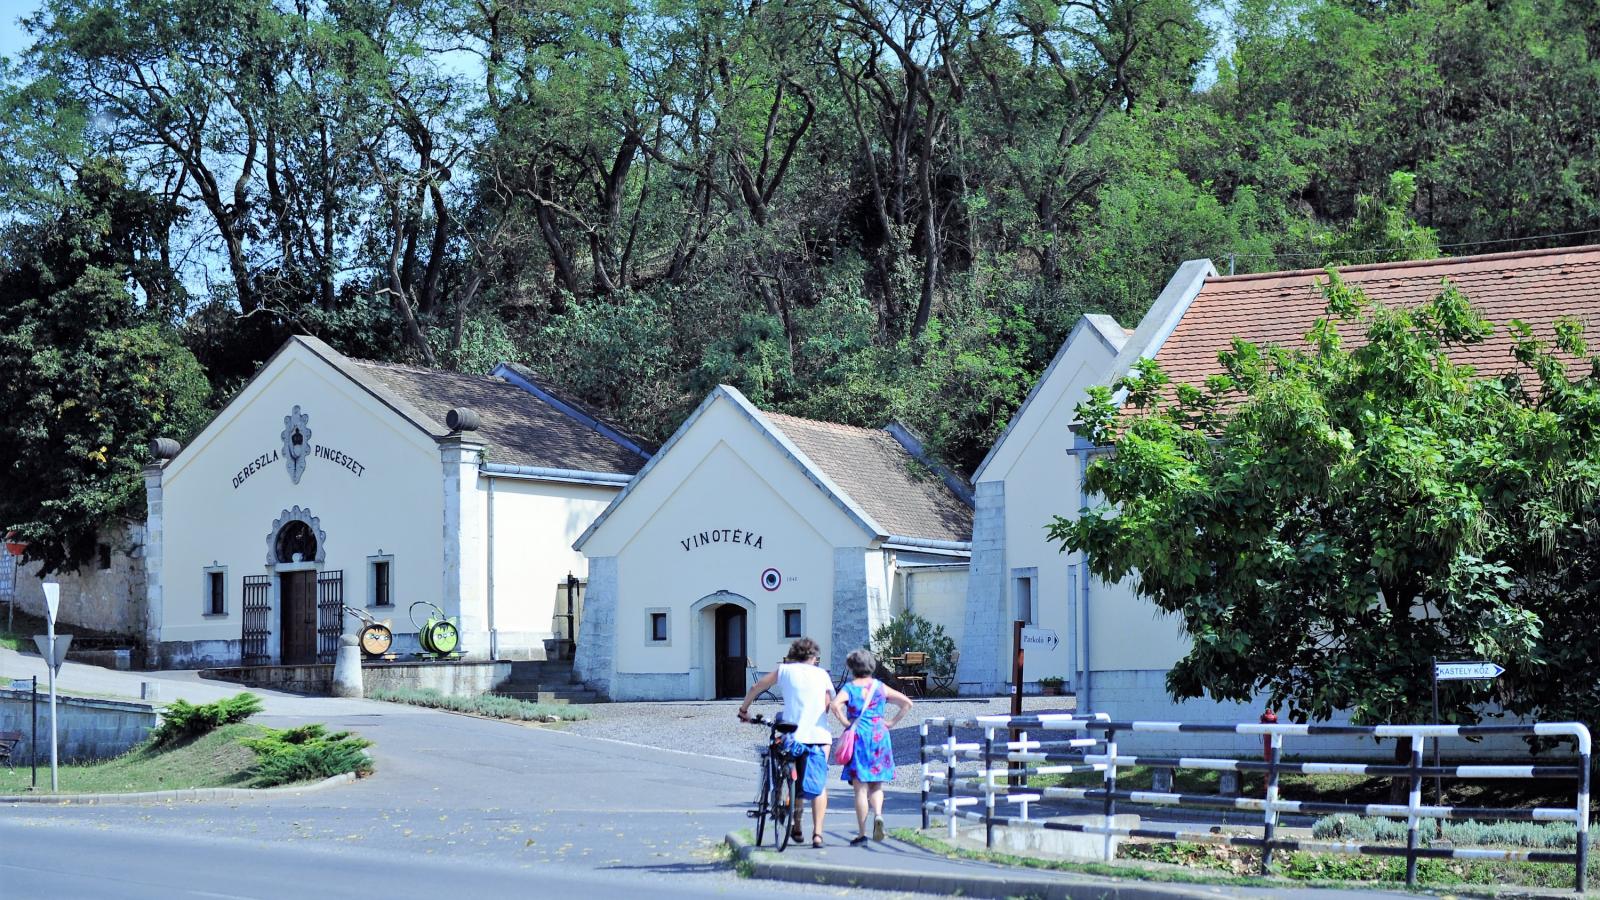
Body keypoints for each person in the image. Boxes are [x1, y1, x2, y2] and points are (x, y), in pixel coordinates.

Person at [738, 637, 834, 848]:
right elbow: (827, 703)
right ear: (814, 657)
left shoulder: (784, 671)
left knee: (794, 776)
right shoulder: (822, 675)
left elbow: (757, 686)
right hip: (818, 736)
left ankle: (796, 824)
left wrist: (744, 710)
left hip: (793, 736)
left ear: (792, 655)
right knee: (818, 783)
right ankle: (817, 834)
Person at [829, 648, 912, 845]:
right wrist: (890, 723)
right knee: (876, 785)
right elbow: (907, 703)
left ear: (851, 667)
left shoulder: (850, 688)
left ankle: (861, 833)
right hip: (879, 735)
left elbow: (834, 705)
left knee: (860, 788)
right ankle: (879, 815)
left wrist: (845, 722)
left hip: (859, 737)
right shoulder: (879, 687)